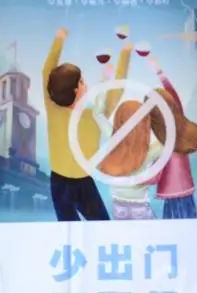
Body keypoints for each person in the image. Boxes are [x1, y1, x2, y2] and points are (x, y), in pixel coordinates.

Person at [42, 29, 130, 221]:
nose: (85, 83)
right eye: (82, 81)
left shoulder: (53, 108)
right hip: (67, 183)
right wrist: (125, 54)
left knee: (86, 229)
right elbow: (117, 91)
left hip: (71, 182)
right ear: (76, 90)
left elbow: (46, 70)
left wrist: (59, 38)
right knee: (95, 228)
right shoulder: (95, 116)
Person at [93, 65, 163, 220]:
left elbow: (97, 113)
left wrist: (104, 81)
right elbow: (170, 139)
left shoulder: (114, 139)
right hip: (140, 206)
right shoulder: (149, 151)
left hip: (118, 206)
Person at [143, 56, 197, 219]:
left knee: (174, 225)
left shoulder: (163, 147)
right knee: (190, 220)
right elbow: (173, 95)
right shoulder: (181, 132)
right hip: (187, 191)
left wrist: (134, 179)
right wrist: (159, 71)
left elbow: (154, 176)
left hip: (171, 197)